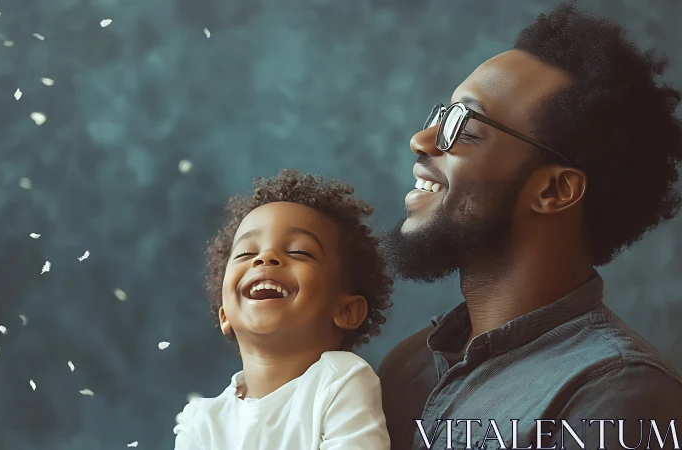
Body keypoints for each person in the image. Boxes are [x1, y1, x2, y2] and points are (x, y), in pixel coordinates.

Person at [378, 3, 682, 450]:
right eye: (441, 116)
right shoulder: (407, 364)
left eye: (462, 125)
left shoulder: (620, 395)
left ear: (555, 190)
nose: (421, 141)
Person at [173, 169, 393, 449]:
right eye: (246, 254)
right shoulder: (201, 421)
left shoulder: (340, 382)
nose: (265, 258)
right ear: (225, 314)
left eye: (299, 251)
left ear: (346, 310)